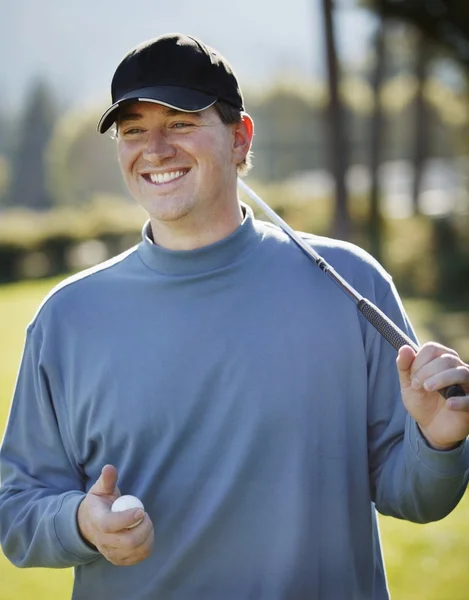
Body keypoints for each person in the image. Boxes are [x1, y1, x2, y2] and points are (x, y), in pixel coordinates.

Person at [0, 32, 468, 600]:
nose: (155, 148)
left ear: (241, 139)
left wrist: (438, 442)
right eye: (133, 130)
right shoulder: (66, 318)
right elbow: (16, 509)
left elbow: (415, 496)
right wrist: (80, 523)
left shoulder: (351, 284)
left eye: (180, 123)